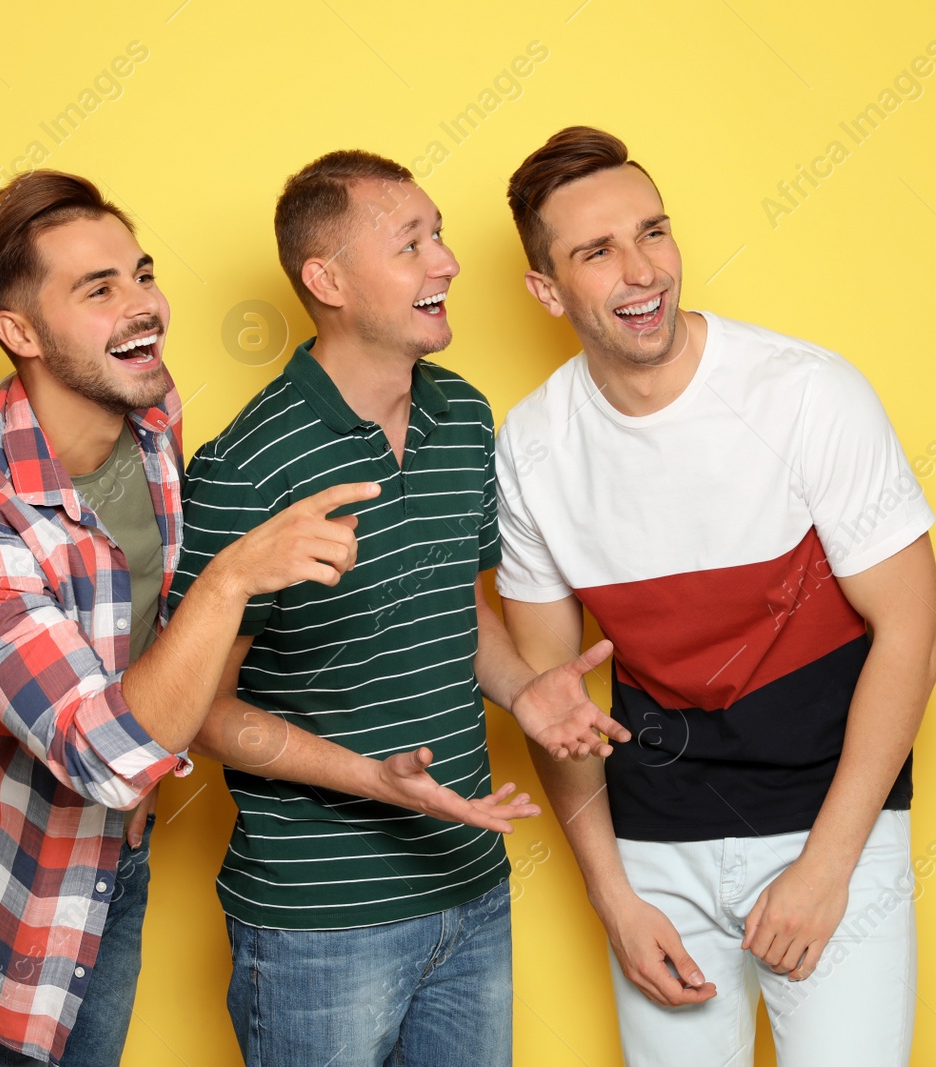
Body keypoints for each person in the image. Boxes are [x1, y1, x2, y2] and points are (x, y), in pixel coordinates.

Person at [0, 168, 441, 1066]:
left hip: (113, 863)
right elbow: (103, 754)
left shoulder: (148, 410)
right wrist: (233, 580)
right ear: (18, 331)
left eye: (140, 274)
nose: (144, 306)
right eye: (97, 290)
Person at [494, 127, 936, 1066]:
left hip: (835, 830)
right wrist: (612, 898)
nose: (641, 269)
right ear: (546, 290)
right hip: (654, 855)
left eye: (652, 232)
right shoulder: (533, 448)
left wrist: (829, 869)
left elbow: (916, 632)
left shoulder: (809, 394)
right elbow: (556, 703)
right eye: (596, 251)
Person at [170, 149, 631, 1067]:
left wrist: (527, 691)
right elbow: (199, 712)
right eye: (411, 242)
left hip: (471, 886)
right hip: (320, 926)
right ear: (327, 279)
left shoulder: (461, 414)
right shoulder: (245, 466)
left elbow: (460, 612)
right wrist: (373, 778)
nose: (447, 261)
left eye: (440, 235)